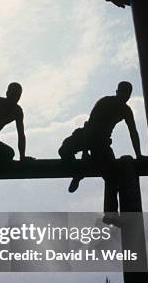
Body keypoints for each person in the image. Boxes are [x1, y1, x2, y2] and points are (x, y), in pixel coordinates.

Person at [58, 81, 142, 224]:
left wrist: (139, 154)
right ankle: (79, 171)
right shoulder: (104, 102)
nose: (125, 97)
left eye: (128, 94)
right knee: (64, 150)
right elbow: (90, 127)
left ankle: (111, 215)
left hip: (102, 144)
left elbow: (133, 132)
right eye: (123, 93)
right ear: (117, 91)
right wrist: (85, 153)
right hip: (86, 136)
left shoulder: (126, 111)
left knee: (111, 177)